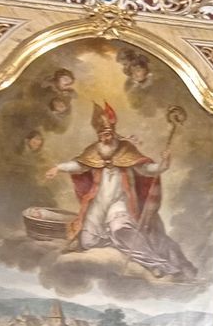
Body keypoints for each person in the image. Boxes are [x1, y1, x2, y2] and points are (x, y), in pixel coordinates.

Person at [43, 101, 196, 281]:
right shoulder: (93, 151)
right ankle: (117, 244)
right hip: (98, 203)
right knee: (88, 241)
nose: (105, 138)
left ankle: (158, 265)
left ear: (113, 132)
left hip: (119, 203)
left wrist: (163, 164)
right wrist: (58, 168)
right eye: (102, 135)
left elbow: (147, 170)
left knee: (122, 231)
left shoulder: (126, 150)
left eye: (108, 134)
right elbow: (78, 165)